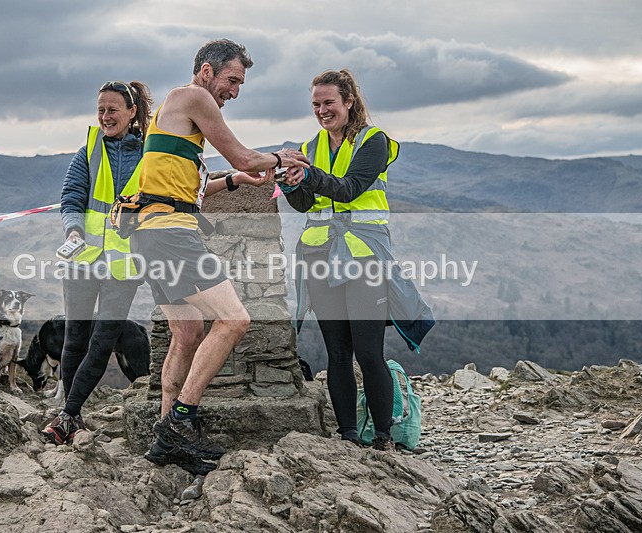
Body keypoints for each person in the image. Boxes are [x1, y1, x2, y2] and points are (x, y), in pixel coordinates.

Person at [130, 39, 309, 474]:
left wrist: (235, 182)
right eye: (232, 80)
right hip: (171, 235)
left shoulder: (174, 109)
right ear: (207, 71)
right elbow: (241, 154)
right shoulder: (193, 96)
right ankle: (180, 422)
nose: (235, 91)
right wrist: (282, 157)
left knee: (187, 332)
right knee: (234, 320)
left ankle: (165, 434)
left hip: (151, 233)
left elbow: (186, 189)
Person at [279, 69, 424, 451]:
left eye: (329, 102)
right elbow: (305, 204)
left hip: (363, 257)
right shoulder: (309, 147)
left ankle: (383, 438)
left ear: (349, 101)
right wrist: (290, 183)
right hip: (319, 255)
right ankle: (347, 436)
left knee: (369, 352)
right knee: (338, 353)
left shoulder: (374, 141)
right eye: (316, 104)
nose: (321, 110)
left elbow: (350, 190)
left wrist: (308, 174)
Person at [42, 80, 153, 445]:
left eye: (112, 110)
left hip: (124, 266)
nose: (105, 117)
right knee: (75, 339)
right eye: (100, 110)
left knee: (103, 343)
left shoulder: (149, 154)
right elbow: (71, 197)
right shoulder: (88, 150)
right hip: (83, 260)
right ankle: (70, 415)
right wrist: (74, 231)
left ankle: (68, 415)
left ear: (132, 112)